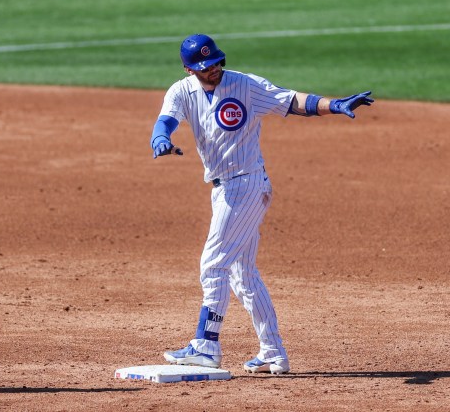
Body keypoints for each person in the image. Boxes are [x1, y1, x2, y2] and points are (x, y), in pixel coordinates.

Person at [150, 33, 373, 374]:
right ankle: (273, 352)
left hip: (246, 186)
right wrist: (161, 137)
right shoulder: (181, 90)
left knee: (213, 265)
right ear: (189, 69)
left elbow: (292, 101)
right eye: (205, 67)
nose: (214, 69)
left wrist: (334, 105)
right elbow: (167, 118)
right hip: (224, 189)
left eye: (216, 62)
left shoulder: (245, 85)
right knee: (242, 274)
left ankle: (206, 345)